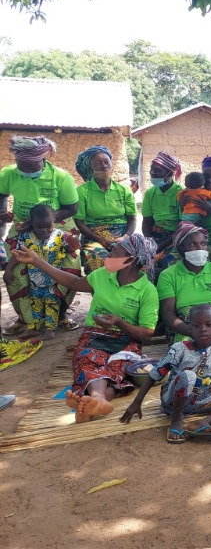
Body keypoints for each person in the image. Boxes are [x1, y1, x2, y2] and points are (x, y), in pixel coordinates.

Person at [11, 234, 159, 423]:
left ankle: (90, 403)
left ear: (130, 260)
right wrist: (37, 261)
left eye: (115, 250)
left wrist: (118, 322)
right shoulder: (102, 275)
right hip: (94, 334)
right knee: (88, 360)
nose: (109, 252)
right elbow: (73, 282)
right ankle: (97, 400)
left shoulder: (147, 290)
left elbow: (147, 334)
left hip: (126, 340)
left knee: (118, 367)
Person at [120, 304, 211, 444]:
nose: (203, 329)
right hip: (172, 402)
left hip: (200, 403)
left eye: (209, 324)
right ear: (190, 328)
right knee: (188, 376)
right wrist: (137, 402)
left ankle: (202, 423)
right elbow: (154, 374)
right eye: (197, 325)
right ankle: (176, 420)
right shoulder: (179, 349)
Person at [0, 136, 80, 335]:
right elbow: (1, 194)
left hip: (55, 225)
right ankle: (26, 318)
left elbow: (72, 208)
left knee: (69, 267)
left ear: (43, 159)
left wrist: (43, 222)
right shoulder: (8, 174)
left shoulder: (60, 177)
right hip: (22, 227)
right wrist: (4, 216)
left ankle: (60, 314)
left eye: (31, 166)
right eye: (21, 165)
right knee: (16, 272)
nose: (26, 171)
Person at [3, 205, 81, 341]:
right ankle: (34, 328)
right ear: (32, 224)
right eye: (39, 227)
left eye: (48, 226)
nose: (44, 230)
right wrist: (8, 269)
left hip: (53, 281)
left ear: (54, 222)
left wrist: (74, 244)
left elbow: (68, 249)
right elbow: (17, 255)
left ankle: (50, 328)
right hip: (34, 281)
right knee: (35, 303)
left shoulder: (60, 235)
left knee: (52, 302)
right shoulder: (26, 237)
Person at [156, 222, 211, 345]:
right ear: (181, 248)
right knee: (186, 350)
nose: (200, 249)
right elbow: (167, 313)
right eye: (193, 244)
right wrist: (192, 331)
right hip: (185, 329)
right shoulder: (168, 275)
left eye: (203, 244)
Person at [74, 145, 137, 273]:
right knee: (97, 257)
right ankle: (102, 292)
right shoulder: (82, 191)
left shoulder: (124, 190)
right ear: (90, 168)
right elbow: (79, 222)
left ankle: (129, 292)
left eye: (106, 162)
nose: (103, 166)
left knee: (137, 258)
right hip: (94, 236)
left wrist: (125, 237)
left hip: (121, 235)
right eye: (97, 163)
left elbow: (132, 218)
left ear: (111, 164)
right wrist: (100, 239)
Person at [141, 151, 183, 272]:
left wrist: (160, 246)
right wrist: (149, 243)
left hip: (175, 238)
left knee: (170, 261)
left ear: (170, 173)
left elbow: (182, 225)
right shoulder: (150, 193)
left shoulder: (181, 193)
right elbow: (147, 221)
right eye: (152, 169)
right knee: (139, 263)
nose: (152, 173)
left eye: (158, 170)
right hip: (156, 238)